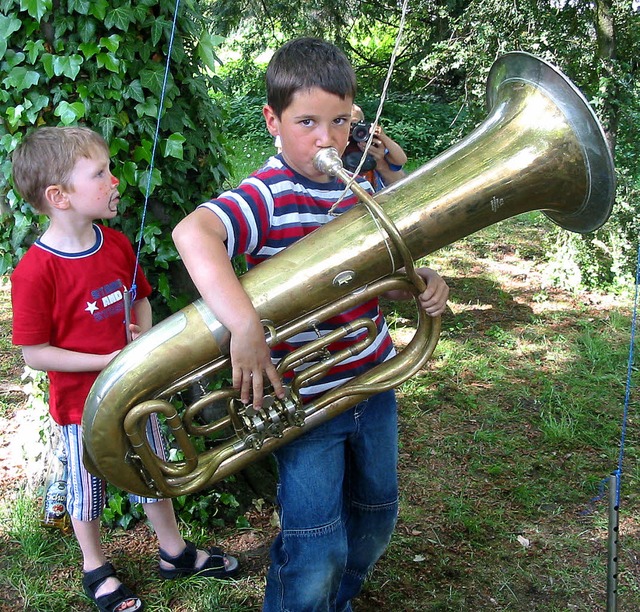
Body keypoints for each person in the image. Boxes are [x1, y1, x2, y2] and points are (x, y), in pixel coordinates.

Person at [172, 37, 449, 612]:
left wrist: (424, 279)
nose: (326, 139)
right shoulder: (268, 193)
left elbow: (398, 250)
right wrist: (243, 326)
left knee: (378, 512)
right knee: (313, 540)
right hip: (305, 400)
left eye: (340, 122)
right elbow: (191, 234)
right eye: (307, 123)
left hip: (374, 381)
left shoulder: (360, 189)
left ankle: (336, 601)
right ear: (273, 120)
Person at [10, 126, 239, 612]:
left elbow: (142, 300)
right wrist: (106, 362)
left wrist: (139, 334)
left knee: (152, 473)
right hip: (79, 409)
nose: (114, 180)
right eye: (100, 173)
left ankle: (173, 552)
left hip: (136, 394)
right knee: (86, 492)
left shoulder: (114, 244)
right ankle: (95, 566)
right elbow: (34, 353)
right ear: (59, 196)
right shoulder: (34, 270)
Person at [351, 103, 408, 190]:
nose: (349, 128)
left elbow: (401, 160)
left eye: (354, 124)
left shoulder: (370, 141)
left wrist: (383, 137)